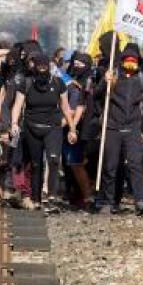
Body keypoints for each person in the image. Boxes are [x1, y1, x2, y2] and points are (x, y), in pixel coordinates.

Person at [94, 43, 143, 215]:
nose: (130, 65)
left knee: (135, 164)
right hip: (112, 126)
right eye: (127, 61)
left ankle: (140, 200)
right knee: (110, 165)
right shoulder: (113, 75)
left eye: (133, 61)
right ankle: (108, 201)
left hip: (133, 127)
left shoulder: (142, 80)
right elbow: (96, 96)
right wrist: (105, 83)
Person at [10, 54, 70, 210]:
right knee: (36, 164)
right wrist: (14, 123)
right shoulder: (27, 83)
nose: (42, 69)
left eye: (45, 67)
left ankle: (51, 195)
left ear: (49, 67)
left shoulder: (58, 83)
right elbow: (17, 105)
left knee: (54, 159)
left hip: (53, 127)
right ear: (35, 67)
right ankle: (36, 199)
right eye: (39, 67)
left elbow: (65, 106)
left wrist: (72, 127)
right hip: (32, 127)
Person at [62, 52, 93, 208]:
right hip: (70, 125)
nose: (77, 67)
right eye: (76, 64)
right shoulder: (69, 80)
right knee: (71, 164)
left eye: (81, 65)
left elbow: (81, 106)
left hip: (82, 127)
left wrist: (72, 127)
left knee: (77, 163)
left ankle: (87, 196)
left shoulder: (88, 82)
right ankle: (76, 195)